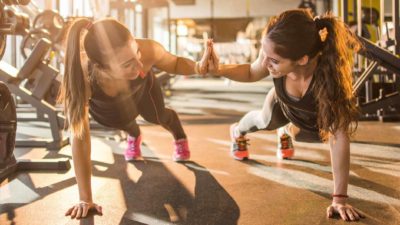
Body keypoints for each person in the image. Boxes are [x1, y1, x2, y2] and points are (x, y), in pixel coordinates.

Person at [206, 9, 365, 221]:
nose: (265, 64)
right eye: (265, 55)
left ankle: (287, 131)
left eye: (273, 60)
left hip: (312, 118)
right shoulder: (274, 54)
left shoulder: (329, 82)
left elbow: (339, 137)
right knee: (264, 120)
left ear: (302, 60)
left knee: (312, 132)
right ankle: (237, 130)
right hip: (283, 105)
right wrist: (219, 70)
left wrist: (339, 199)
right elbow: (251, 72)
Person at [59, 18, 211, 219]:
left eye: (136, 52)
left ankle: (179, 134)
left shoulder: (148, 50)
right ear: (100, 67)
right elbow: (78, 135)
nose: (140, 65)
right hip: (108, 108)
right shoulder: (80, 73)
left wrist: (199, 67)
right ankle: (134, 135)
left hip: (143, 90)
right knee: (118, 122)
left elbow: (174, 62)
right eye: (127, 64)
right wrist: (85, 198)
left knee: (157, 116)